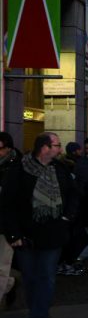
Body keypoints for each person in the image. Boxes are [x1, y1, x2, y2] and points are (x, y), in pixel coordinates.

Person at [0, 132, 78, 318]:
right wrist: (13, 234)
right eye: (57, 145)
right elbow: (7, 204)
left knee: (47, 277)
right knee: (30, 278)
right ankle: (36, 312)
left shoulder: (60, 168)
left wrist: (67, 217)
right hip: (26, 236)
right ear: (44, 148)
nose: (60, 149)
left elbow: (73, 194)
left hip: (53, 235)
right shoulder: (18, 170)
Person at [0, 132, 21, 308]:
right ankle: (10, 284)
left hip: (6, 225)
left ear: (8, 148)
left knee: (2, 266)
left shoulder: (17, 168)